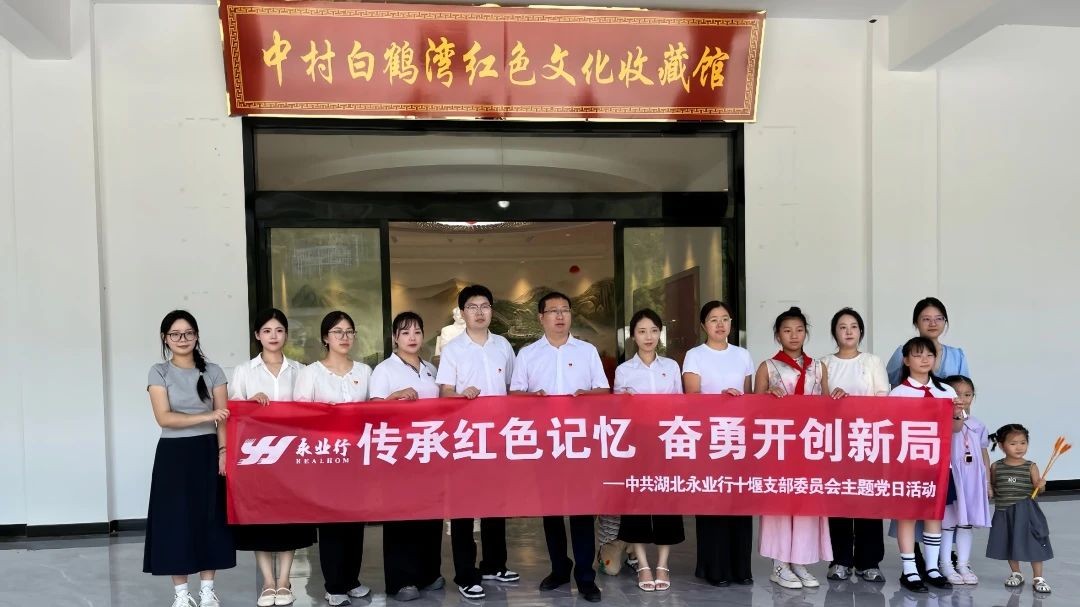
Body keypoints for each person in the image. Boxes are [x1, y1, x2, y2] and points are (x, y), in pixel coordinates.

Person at [510, 291, 609, 603]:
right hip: (545, 443)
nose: (560, 316)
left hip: (580, 442)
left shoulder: (587, 351)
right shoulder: (527, 354)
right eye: (553, 311)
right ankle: (559, 568)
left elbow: (603, 390)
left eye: (565, 310)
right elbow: (515, 395)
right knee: (551, 510)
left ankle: (585, 576)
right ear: (541, 318)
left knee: (582, 511)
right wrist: (534, 398)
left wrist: (587, 395)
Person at [144, 310, 234, 607]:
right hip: (173, 454)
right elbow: (164, 418)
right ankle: (181, 594)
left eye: (188, 333)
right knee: (175, 521)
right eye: (175, 334)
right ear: (165, 338)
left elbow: (224, 419)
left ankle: (207, 591)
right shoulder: (158, 371)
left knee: (210, 518)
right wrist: (207, 416)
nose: (182, 339)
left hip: (208, 451)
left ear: (196, 336)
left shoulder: (214, 371)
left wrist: (223, 452)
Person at [435, 285, 520, 599]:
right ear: (462, 313)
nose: (480, 312)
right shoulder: (453, 349)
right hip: (465, 439)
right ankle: (465, 573)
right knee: (464, 508)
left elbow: (511, 387)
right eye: (472, 307)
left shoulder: (503, 346)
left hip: (497, 437)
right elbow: (444, 392)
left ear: (492, 311)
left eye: (485, 306)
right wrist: (461, 395)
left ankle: (494, 564)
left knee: (496, 504)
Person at [229, 309, 315, 607]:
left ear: (286, 334)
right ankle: (268, 582)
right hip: (258, 455)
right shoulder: (244, 371)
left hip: (291, 455)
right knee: (261, 517)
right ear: (257, 335)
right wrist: (249, 403)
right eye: (267, 331)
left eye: (279, 330)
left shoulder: (301, 370)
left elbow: (309, 410)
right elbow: (234, 412)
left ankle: (284, 580)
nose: (273, 336)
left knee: (289, 517)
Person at [294, 311, 373, 607]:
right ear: (325, 338)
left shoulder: (364, 371)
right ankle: (334, 585)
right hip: (326, 458)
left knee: (355, 521)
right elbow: (301, 416)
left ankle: (352, 580)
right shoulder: (311, 373)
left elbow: (374, 411)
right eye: (337, 332)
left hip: (358, 457)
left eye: (349, 331)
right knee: (331, 522)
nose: (344, 337)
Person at [754, 306, 832, 589]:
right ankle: (779, 564)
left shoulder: (818, 367)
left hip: (809, 444)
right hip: (778, 444)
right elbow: (754, 408)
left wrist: (836, 397)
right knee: (779, 501)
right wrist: (766, 395)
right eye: (787, 330)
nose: (794, 335)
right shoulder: (768, 366)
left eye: (799, 330)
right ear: (778, 335)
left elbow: (826, 404)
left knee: (805, 500)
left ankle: (800, 559)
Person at [370, 312, 444, 602]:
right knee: (402, 516)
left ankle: (428, 574)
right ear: (394, 338)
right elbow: (373, 409)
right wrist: (395, 396)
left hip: (429, 450)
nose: (412, 337)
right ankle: (402, 581)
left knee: (430, 514)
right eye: (405, 332)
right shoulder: (384, 370)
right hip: (399, 453)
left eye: (417, 332)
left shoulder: (431, 369)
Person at [681, 300, 754, 587]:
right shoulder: (694, 355)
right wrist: (720, 399)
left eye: (725, 318)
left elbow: (748, 398)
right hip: (708, 437)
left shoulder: (743, 355)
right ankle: (715, 568)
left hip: (737, 437)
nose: (720, 324)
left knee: (739, 500)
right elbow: (691, 396)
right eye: (713, 319)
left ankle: (740, 568)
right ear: (703, 326)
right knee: (712, 500)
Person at [614, 308, 685, 592]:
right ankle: (643, 563)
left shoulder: (671, 366)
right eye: (642, 331)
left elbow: (681, 405)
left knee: (666, 502)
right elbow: (617, 413)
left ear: (660, 334)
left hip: (667, 442)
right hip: (637, 446)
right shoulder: (624, 371)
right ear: (633, 336)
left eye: (654, 331)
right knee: (637, 504)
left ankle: (663, 563)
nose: (648, 337)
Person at [819, 308, 889, 583]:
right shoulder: (824, 363)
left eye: (853, 326)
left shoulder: (872, 361)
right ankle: (840, 560)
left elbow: (883, 398)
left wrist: (854, 403)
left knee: (868, 500)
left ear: (861, 331)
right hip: (835, 442)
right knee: (838, 500)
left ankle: (869, 562)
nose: (848, 331)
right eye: (842, 326)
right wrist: (833, 400)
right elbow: (818, 402)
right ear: (834, 332)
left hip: (867, 439)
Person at [887, 336, 957, 592]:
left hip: (938, 465)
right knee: (906, 516)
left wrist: (957, 413)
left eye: (929, 354)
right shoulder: (897, 393)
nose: (924, 359)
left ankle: (932, 567)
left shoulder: (946, 391)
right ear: (906, 360)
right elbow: (891, 431)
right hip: (908, 465)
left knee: (933, 514)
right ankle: (909, 570)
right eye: (917, 355)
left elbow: (956, 428)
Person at [987, 423, 1053, 594]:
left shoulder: (1030, 466)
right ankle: (1016, 573)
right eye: (1013, 443)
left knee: (1034, 543)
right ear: (1001, 445)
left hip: (1026, 512)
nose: (1019, 447)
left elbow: (1039, 490)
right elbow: (993, 486)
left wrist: (1041, 485)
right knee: (1009, 542)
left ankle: (1038, 577)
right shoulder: (996, 466)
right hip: (1004, 512)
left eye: (1023, 443)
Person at [939, 375, 992, 585]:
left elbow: (984, 453)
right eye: (957, 394)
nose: (962, 398)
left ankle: (963, 564)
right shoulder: (944, 423)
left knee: (966, 523)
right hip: (952, 479)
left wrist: (987, 482)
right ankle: (945, 564)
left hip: (973, 480)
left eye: (967, 394)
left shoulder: (978, 425)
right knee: (947, 524)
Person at [887, 297, 970, 387]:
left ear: (945, 321)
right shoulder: (902, 353)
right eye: (926, 319)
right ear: (916, 323)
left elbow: (965, 390)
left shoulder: (957, 356)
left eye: (939, 318)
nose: (933, 324)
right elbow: (893, 390)